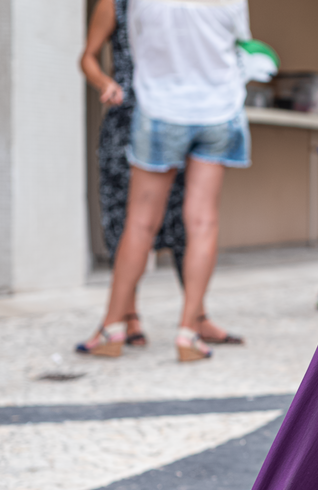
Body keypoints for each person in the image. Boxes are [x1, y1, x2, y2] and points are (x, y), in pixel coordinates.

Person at [77, 0, 252, 362]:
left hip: (161, 110)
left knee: (140, 223)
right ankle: (188, 333)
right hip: (218, 111)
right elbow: (242, 45)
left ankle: (112, 327)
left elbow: (139, 43)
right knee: (203, 223)